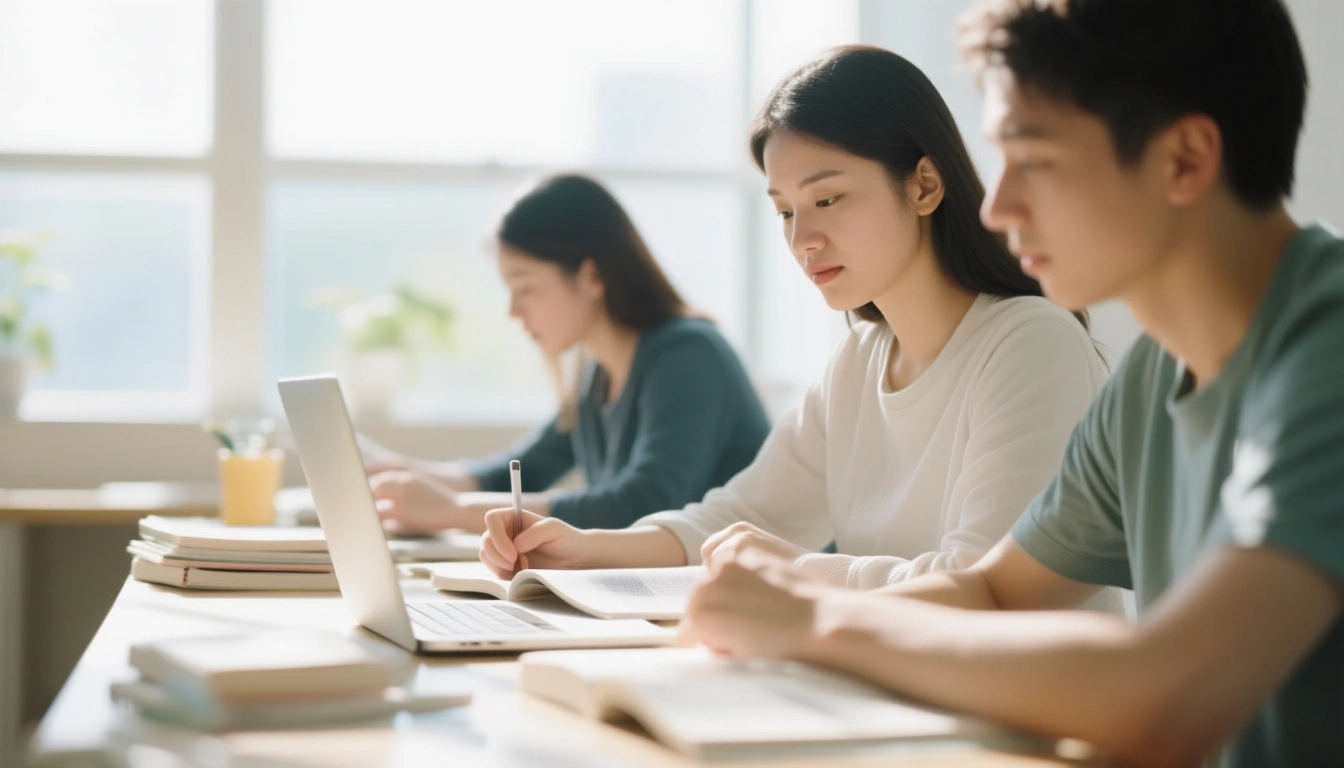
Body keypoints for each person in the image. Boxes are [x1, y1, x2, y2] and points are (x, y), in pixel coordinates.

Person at [678, 2, 1343, 766]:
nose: (997, 206)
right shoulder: (1153, 374)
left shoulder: (1328, 346)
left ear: (1184, 160)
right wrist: (799, 606)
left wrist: (816, 621)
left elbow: (1170, 700)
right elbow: (993, 592)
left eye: (1036, 161)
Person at [480, 46, 1117, 602]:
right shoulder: (859, 360)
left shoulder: (1031, 344)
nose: (802, 239)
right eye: (785, 211)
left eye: (827, 199)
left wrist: (799, 570)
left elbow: (983, 587)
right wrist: (585, 548)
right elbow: (740, 514)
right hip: (895, 699)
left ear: (924, 185)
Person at [364, 174, 771, 534]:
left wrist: (453, 511)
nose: (513, 312)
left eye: (525, 289)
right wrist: (404, 473)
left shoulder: (687, 355)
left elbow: (643, 505)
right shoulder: (597, 373)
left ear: (592, 275)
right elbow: (527, 469)